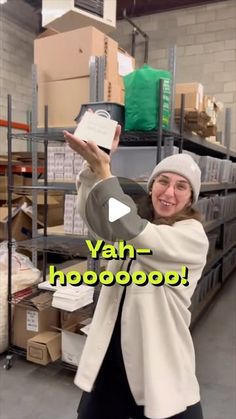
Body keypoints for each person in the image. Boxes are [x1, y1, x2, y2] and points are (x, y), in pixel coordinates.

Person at [63, 125, 209, 419]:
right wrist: (94, 169)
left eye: (181, 186)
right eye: (163, 181)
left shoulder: (192, 237)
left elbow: (133, 230)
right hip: (112, 357)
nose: (169, 192)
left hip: (159, 360)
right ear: (152, 185)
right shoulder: (136, 221)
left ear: (191, 198)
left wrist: (106, 173)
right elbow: (96, 218)